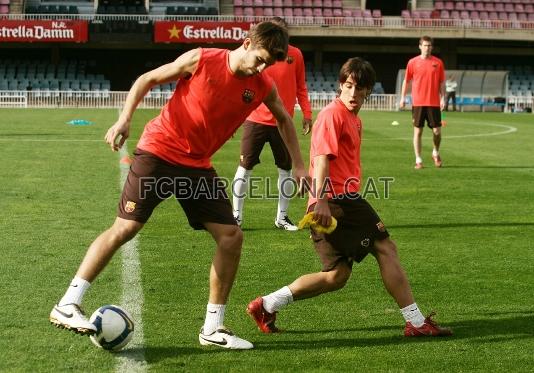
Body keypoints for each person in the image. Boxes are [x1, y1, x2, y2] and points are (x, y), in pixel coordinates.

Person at [49, 21, 308, 350]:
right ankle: (68, 303)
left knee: (231, 237)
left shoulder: (261, 85)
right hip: (159, 152)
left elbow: (284, 118)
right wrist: (125, 118)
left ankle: (212, 327)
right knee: (125, 228)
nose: (261, 68)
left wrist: (299, 165)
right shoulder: (202, 59)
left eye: (268, 64)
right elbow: (148, 79)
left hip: (197, 166)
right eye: (259, 59)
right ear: (245, 43)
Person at [246, 57, 453, 338]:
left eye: (360, 88)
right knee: (386, 248)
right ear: (340, 85)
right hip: (337, 201)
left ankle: (267, 304)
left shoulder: (353, 118)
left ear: (369, 90)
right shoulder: (333, 115)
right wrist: (319, 200)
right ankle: (416, 323)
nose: (354, 94)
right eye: (349, 86)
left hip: (335, 200)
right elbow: (320, 160)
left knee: (336, 276)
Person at [232, 17, 312, 231]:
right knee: (244, 168)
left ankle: (282, 218)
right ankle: (236, 216)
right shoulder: (258, 53)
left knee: (285, 170)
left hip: (283, 122)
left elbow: (301, 86)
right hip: (255, 119)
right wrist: (234, 115)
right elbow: (241, 81)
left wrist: (307, 112)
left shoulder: (295, 55)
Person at [399, 36, 446, 169]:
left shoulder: (438, 63)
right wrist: (402, 97)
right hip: (418, 103)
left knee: (437, 131)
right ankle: (418, 160)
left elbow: (442, 82)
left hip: (434, 103)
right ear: (420, 46)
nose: (427, 48)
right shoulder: (412, 62)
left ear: (432, 47)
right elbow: (406, 81)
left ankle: (435, 152)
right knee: (418, 132)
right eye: (425, 45)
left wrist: (443, 97)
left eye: (429, 45)